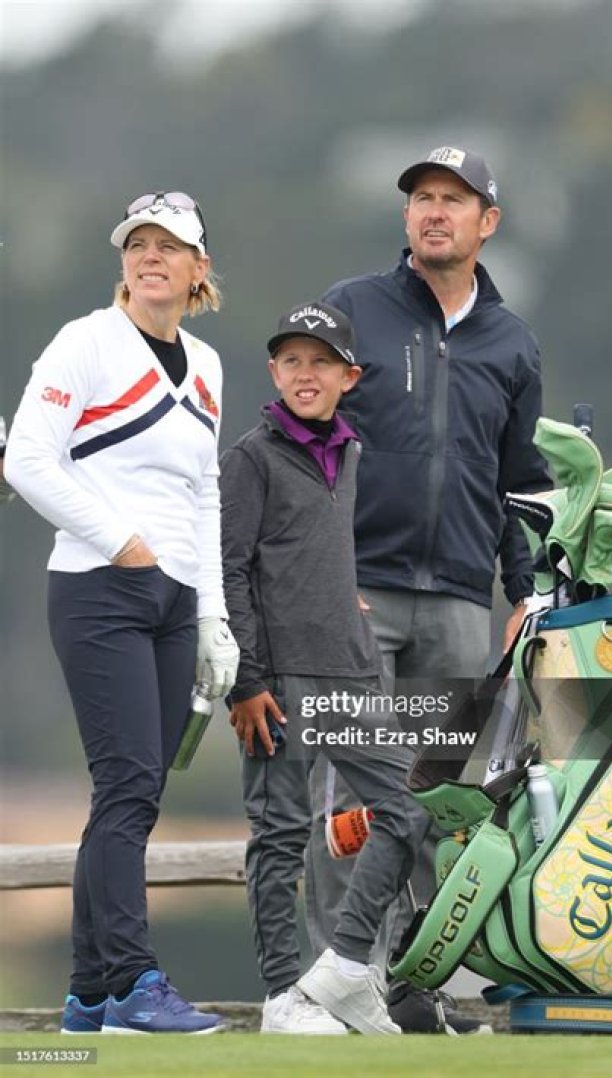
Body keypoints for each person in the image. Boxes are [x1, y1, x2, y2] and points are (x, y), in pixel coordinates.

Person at [304, 144, 551, 1033]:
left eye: (455, 199)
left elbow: (520, 480)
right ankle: (335, 982)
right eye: (422, 198)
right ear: (406, 217)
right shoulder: (352, 309)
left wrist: (521, 589)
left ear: (488, 222)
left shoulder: (512, 341)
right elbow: (303, 444)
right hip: (356, 591)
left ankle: (408, 988)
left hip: (457, 600)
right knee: (352, 796)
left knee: (438, 799)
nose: (434, 211)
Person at [5, 192, 239, 1035]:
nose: (151, 256)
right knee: (129, 784)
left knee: (132, 793)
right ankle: (136, 983)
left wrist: (213, 615)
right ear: (124, 264)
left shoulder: (207, 366)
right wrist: (119, 539)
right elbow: (28, 459)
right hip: (99, 586)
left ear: (197, 270)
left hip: (176, 601)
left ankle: (90, 994)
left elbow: (204, 492)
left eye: (169, 247)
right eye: (138, 244)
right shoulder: (87, 342)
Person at [219, 300, 430, 1035]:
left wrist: (343, 602)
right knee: (279, 836)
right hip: (277, 685)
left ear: (350, 376)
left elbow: (314, 553)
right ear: (274, 371)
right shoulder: (250, 457)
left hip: (350, 674)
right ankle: (282, 997)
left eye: (321, 362)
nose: (305, 374)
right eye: (292, 361)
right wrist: (245, 683)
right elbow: (231, 571)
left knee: (408, 811)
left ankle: (342, 966)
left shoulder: (352, 453)